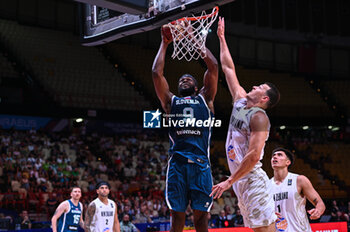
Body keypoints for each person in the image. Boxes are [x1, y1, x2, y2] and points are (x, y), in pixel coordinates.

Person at [210, 17, 280, 232]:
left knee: (264, 231)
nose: (254, 85)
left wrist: (229, 181)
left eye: (260, 86)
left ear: (264, 98)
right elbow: (228, 68)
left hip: (251, 179)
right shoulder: (240, 99)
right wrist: (221, 38)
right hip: (241, 182)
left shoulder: (259, 117)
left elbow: (253, 155)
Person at [151, 23, 218, 232]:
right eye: (181, 79)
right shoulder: (171, 102)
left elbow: (213, 67)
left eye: (189, 78)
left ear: (197, 87)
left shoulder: (205, 98)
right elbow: (156, 73)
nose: (184, 78)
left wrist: (193, 39)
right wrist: (164, 43)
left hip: (200, 165)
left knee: (201, 220)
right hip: (178, 165)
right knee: (176, 218)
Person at [270, 147, 326, 232]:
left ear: (287, 162)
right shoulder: (266, 185)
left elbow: (320, 203)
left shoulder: (299, 180)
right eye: (273, 155)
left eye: (279, 155)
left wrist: (318, 211)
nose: (275, 157)